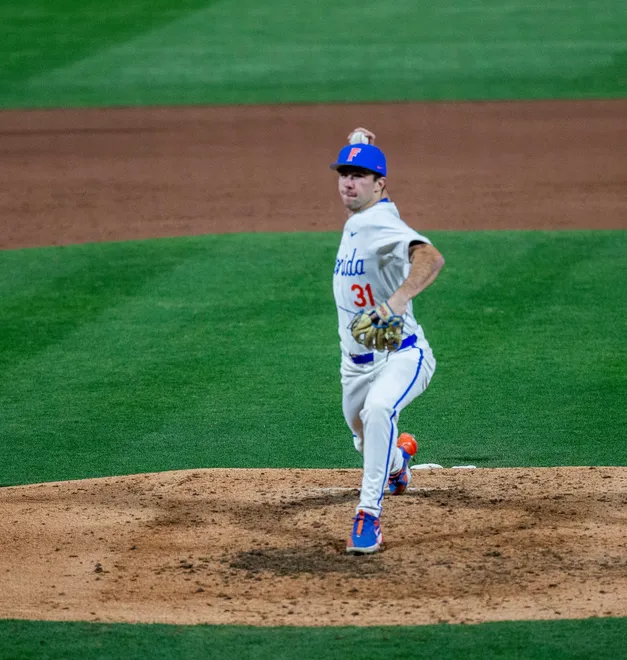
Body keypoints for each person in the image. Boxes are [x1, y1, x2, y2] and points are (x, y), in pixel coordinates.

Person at [330, 127, 445, 554]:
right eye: (344, 172)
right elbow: (366, 197)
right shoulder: (362, 216)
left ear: (380, 184)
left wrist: (396, 302)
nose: (348, 181)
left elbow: (430, 256)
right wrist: (363, 144)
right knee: (365, 437)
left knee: (380, 410)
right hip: (355, 363)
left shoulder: (380, 220)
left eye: (359, 174)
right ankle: (398, 465)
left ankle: (368, 517)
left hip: (403, 354)